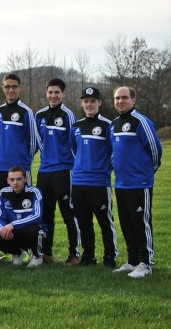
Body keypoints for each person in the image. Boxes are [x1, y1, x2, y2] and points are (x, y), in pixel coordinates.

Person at [110, 86, 162, 278]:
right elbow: (114, 152)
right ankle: (132, 261)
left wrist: (148, 172)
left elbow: (156, 150)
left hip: (139, 184)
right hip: (121, 184)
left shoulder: (142, 121)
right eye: (117, 98)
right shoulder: (113, 124)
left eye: (124, 98)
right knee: (127, 224)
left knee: (141, 224)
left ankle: (146, 263)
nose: (120, 101)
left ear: (133, 100)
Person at [70, 87, 118, 268]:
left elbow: (115, 152)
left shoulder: (108, 125)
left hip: (99, 182)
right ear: (82, 103)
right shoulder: (76, 127)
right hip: (79, 182)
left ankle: (110, 257)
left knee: (105, 222)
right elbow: (73, 150)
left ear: (99, 103)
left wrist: (103, 169)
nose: (89, 104)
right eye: (86, 101)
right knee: (83, 222)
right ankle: (88, 256)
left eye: (93, 101)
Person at [35, 78, 80, 265]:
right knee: (45, 214)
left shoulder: (68, 115)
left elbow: (75, 144)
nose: (53, 96)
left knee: (68, 213)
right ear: (46, 93)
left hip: (64, 170)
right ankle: (47, 253)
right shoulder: (40, 115)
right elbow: (38, 141)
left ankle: (74, 253)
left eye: (57, 92)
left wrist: (71, 164)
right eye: (50, 92)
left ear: (64, 94)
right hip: (44, 171)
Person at [0, 73, 40, 195]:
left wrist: (25, 162)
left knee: (25, 205)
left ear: (20, 88)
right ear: (3, 88)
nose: (11, 90)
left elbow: (33, 142)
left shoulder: (26, 112)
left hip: (21, 168)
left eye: (14, 87)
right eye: (7, 87)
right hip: (1, 168)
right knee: (3, 206)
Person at [0, 166, 46, 268]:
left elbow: (37, 216)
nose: (15, 182)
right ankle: (17, 253)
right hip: (13, 232)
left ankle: (37, 256)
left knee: (34, 230)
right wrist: (3, 229)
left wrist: (12, 225)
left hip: (30, 231)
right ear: (8, 180)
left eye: (19, 179)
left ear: (25, 179)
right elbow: (0, 217)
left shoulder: (34, 192)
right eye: (12, 179)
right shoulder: (3, 193)